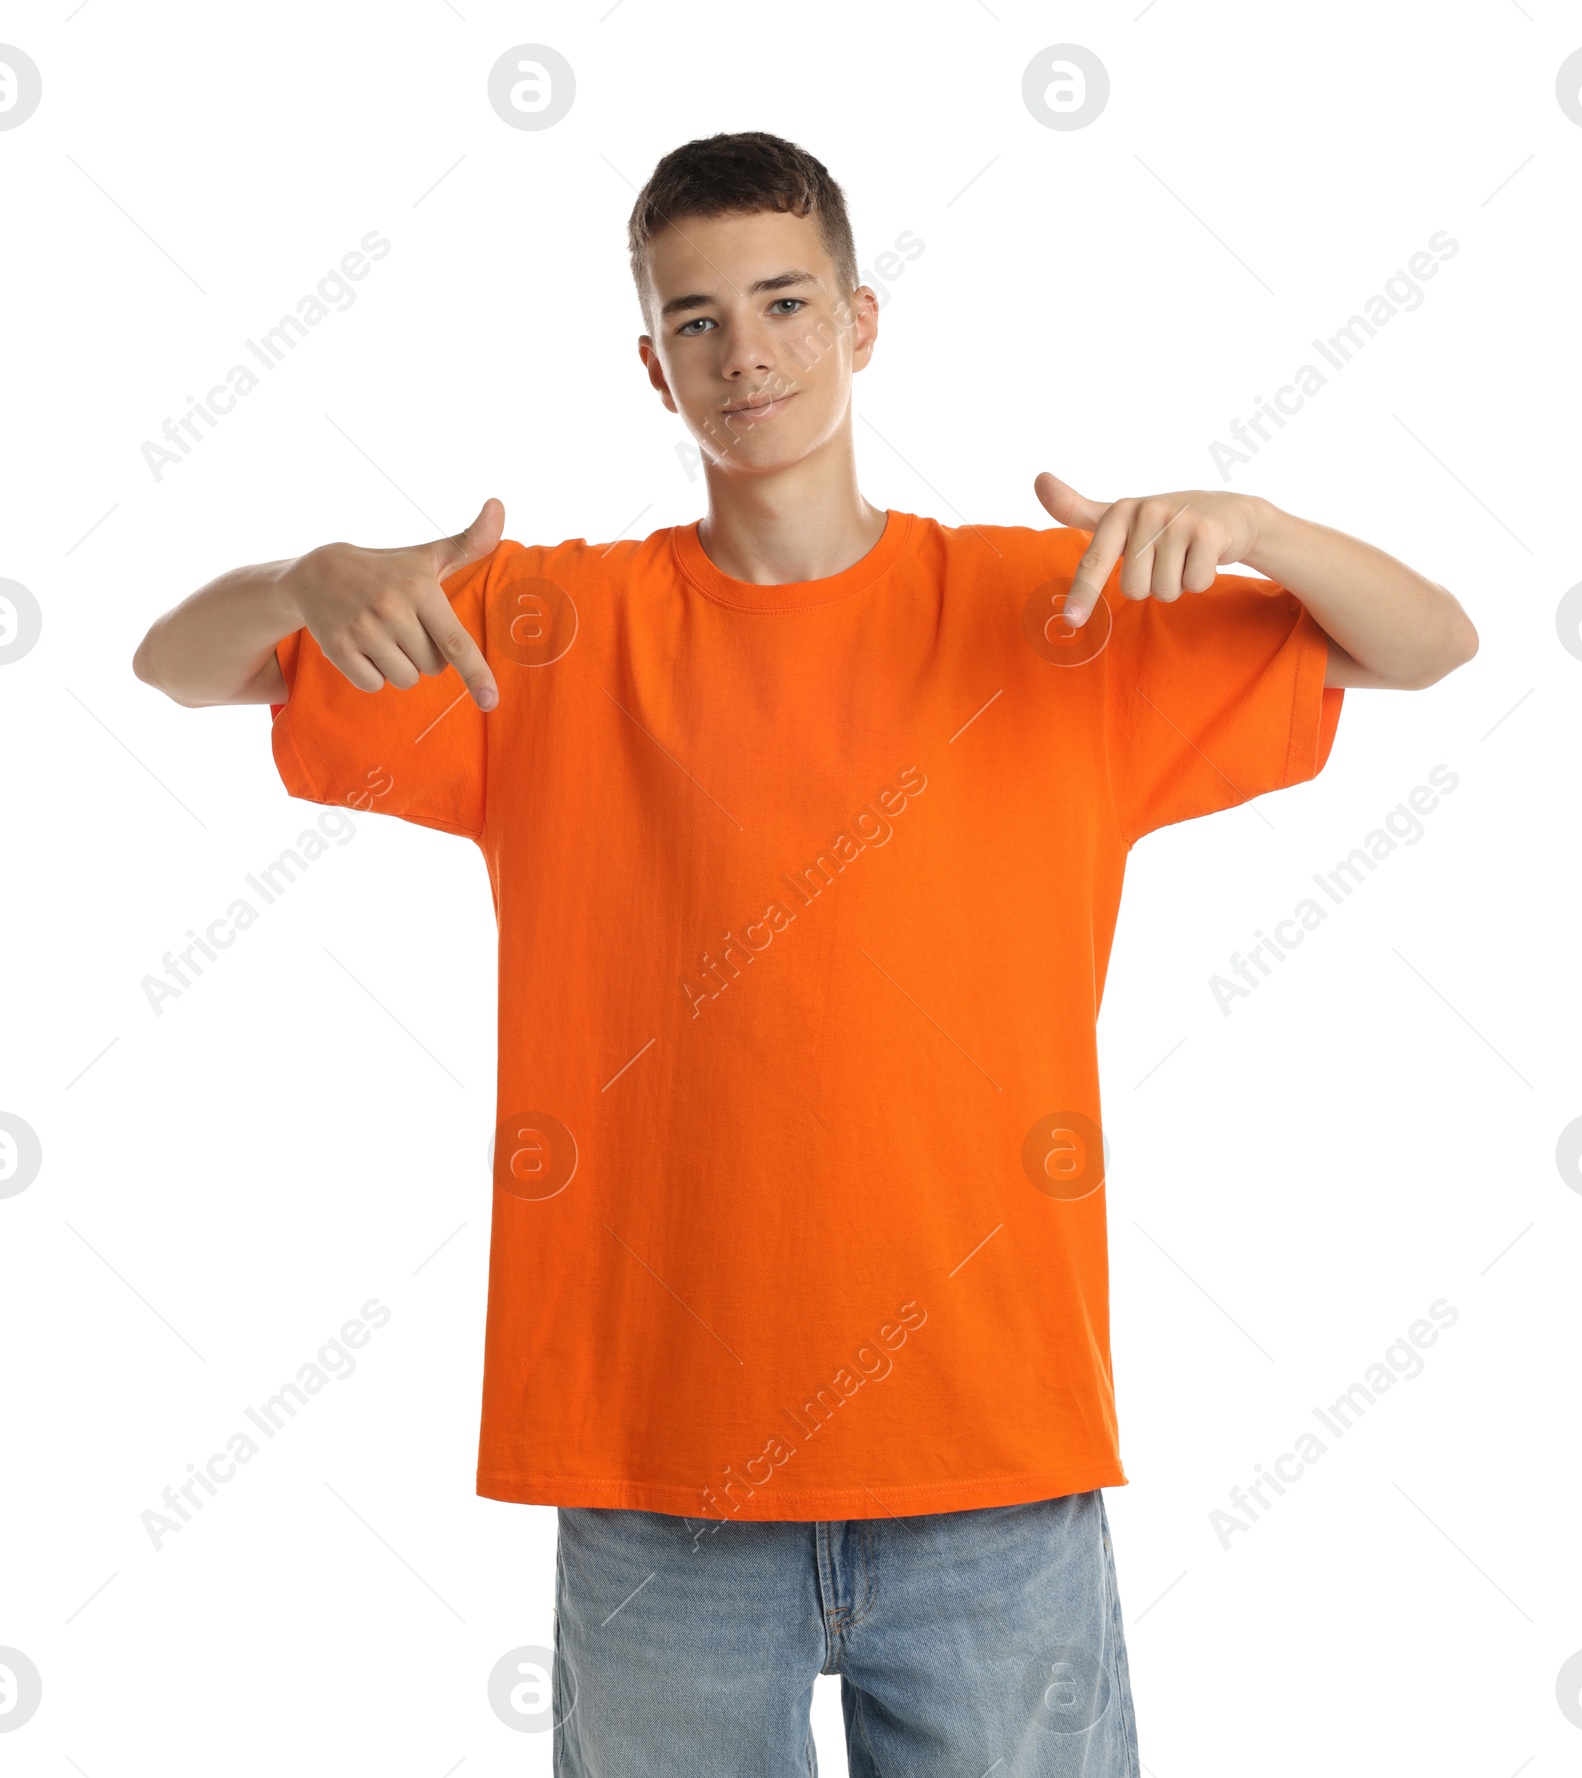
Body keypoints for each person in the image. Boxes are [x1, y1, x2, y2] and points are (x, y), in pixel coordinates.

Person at [133, 130, 1478, 1776]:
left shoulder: (1050, 614)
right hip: (656, 1476)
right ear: (653, 367)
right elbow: (187, 668)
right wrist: (299, 575)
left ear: (860, 322)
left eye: (783, 301)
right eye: (696, 320)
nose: (745, 350)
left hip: (993, 1462)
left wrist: (1258, 521)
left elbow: (1425, 644)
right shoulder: (549, 634)